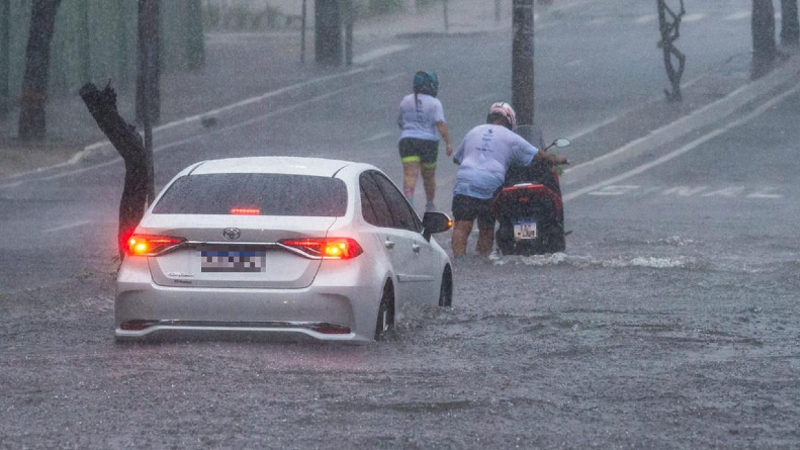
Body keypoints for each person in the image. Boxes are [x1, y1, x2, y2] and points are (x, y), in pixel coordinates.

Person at [451, 102, 568, 258]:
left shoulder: (474, 131)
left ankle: (459, 262)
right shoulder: (511, 137)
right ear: (511, 121)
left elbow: (457, 159)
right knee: (486, 227)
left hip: (465, 181)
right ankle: (482, 261)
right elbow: (538, 155)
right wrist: (558, 159)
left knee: (461, 225)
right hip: (490, 183)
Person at [397, 71, 453, 211]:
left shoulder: (405, 100)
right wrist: (448, 143)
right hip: (428, 143)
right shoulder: (435, 103)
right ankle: (429, 205)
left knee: (410, 174)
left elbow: (400, 122)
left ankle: (409, 205)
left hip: (407, 141)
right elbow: (440, 124)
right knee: (428, 176)